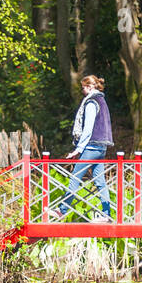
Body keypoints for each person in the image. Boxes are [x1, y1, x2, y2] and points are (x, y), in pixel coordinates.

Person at [50, 75, 113, 222]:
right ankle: (106, 214)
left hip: (91, 146)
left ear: (90, 87)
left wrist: (79, 149)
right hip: (102, 147)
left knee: (75, 177)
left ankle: (62, 210)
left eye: (83, 87)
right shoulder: (102, 100)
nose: (82, 90)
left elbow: (88, 129)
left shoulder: (91, 102)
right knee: (100, 181)